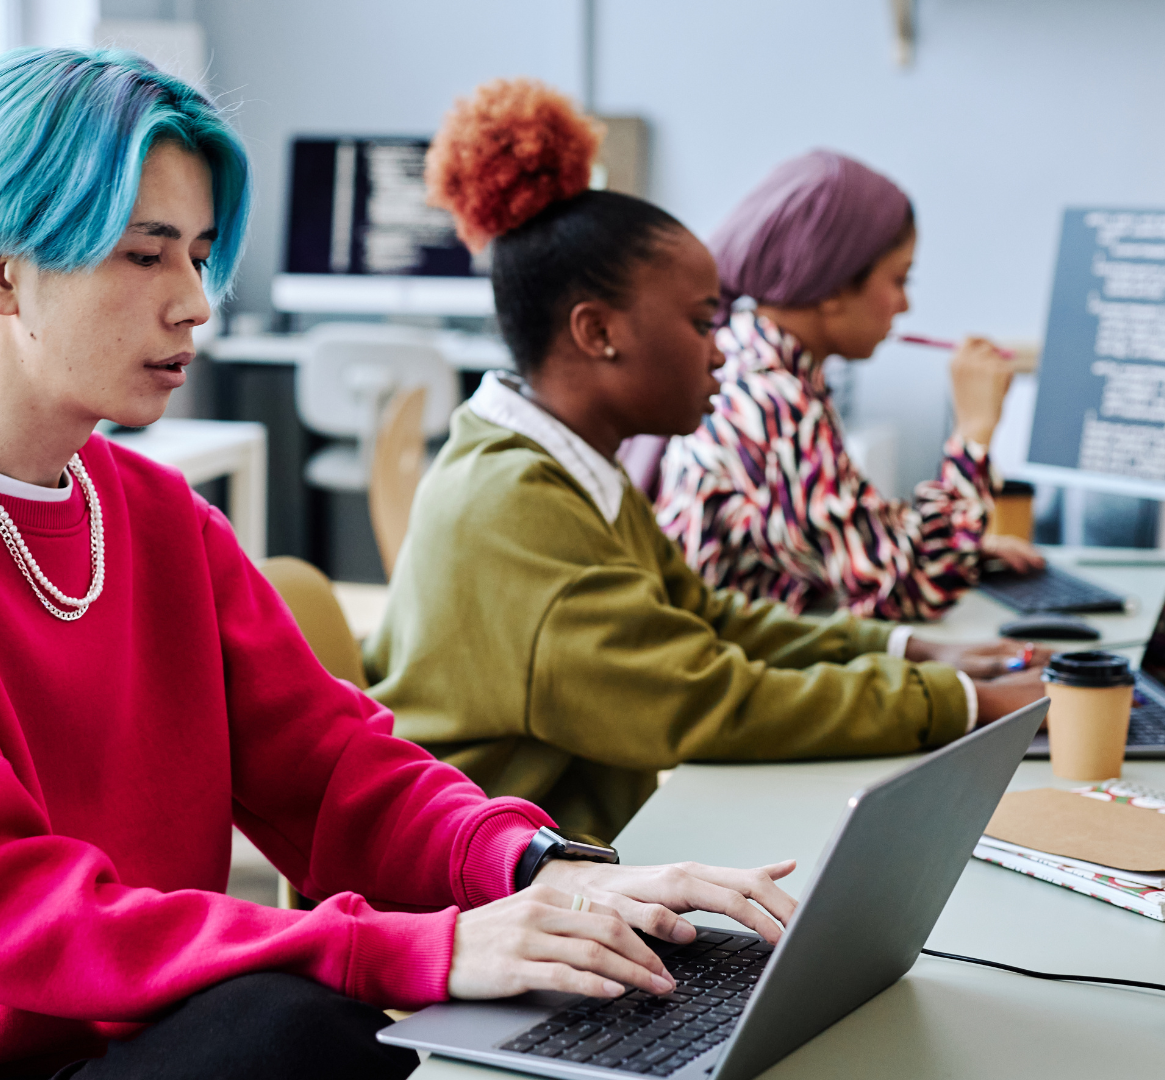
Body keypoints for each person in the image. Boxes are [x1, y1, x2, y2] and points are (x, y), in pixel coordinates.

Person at [0, 49, 803, 1080]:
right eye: (144, 253)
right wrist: (421, 949)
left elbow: (334, 773)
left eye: (196, 250)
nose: (195, 299)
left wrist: (539, 871)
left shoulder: (154, 516)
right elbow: (4, 915)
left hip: (131, 1036)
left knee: (499, 1001)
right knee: (303, 1020)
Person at [364, 80, 1045, 841]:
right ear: (597, 333)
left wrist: (913, 650)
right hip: (479, 895)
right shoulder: (516, 505)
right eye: (701, 322)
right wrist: (959, 702)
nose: (724, 349)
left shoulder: (566, 463)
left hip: (571, 850)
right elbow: (705, 701)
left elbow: (707, 619)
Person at [641, 149, 1044, 622]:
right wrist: (974, 430)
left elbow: (841, 532)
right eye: (899, 279)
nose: (904, 305)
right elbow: (911, 591)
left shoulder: (757, 360)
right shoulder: (773, 400)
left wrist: (964, 546)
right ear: (832, 288)